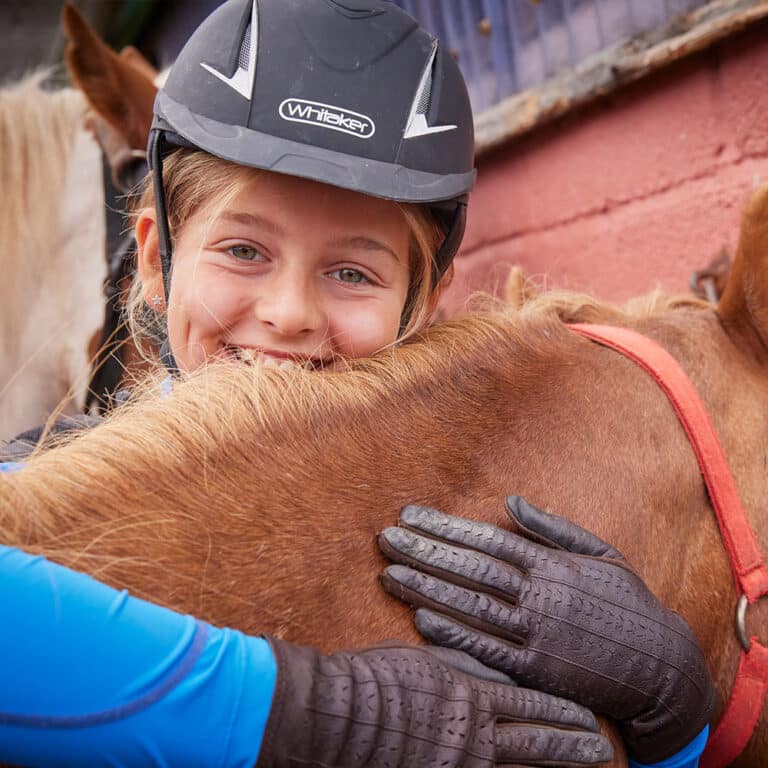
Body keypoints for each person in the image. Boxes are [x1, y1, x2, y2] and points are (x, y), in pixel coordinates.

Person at [0, 0, 714, 765]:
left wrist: (671, 727)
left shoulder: (481, 528)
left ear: (419, 304)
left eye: (352, 272)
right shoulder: (38, 475)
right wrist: (310, 713)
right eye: (244, 250)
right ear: (154, 263)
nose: (289, 314)